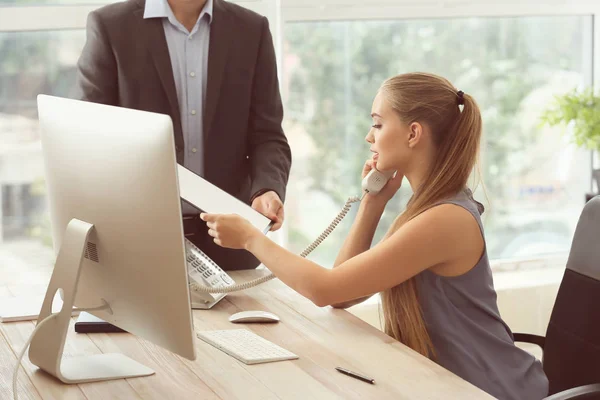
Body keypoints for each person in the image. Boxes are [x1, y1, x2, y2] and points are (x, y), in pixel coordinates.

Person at [200, 72, 550, 399]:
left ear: (413, 133)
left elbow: (326, 290)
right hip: (444, 383)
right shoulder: (429, 207)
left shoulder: (445, 219)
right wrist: (372, 203)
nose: (369, 136)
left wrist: (250, 238)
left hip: (487, 389)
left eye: (378, 124)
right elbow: (343, 296)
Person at [74, 0, 291, 270]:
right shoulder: (110, 25)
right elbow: (88, 136)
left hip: (229, 243)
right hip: (137, 239)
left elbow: (268, 134)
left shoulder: (251, 28)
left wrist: (267, 188)